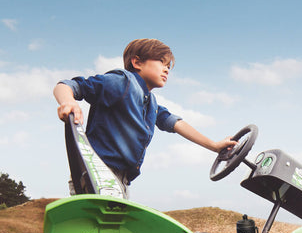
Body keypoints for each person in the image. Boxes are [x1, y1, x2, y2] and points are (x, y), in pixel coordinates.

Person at [54, 38, 236, 195]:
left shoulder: (151, 103)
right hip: (98, 171)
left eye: (168, 66)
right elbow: (66, 86)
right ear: (137, 62)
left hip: (122, 180)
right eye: (161, 63)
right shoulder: (121, 82)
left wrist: (214, 145)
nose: (166, 70)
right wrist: (68, 102)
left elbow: (175, 123)